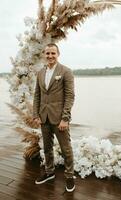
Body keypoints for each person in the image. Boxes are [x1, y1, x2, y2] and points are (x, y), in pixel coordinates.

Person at [33, 43, 75, 192]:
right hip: (44, 117)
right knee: (47, 148)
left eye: (53, 53)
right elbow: (37, 95)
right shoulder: (40, 73)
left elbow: (70, 96)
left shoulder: (66, 71)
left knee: (66, 149)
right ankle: (49, 172)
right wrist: (36, 114)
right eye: (47, 53)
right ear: (44, 55)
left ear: (58, 54)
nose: (50, 56)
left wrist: (65, 118)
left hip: (59, 119)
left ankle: (70, 176)